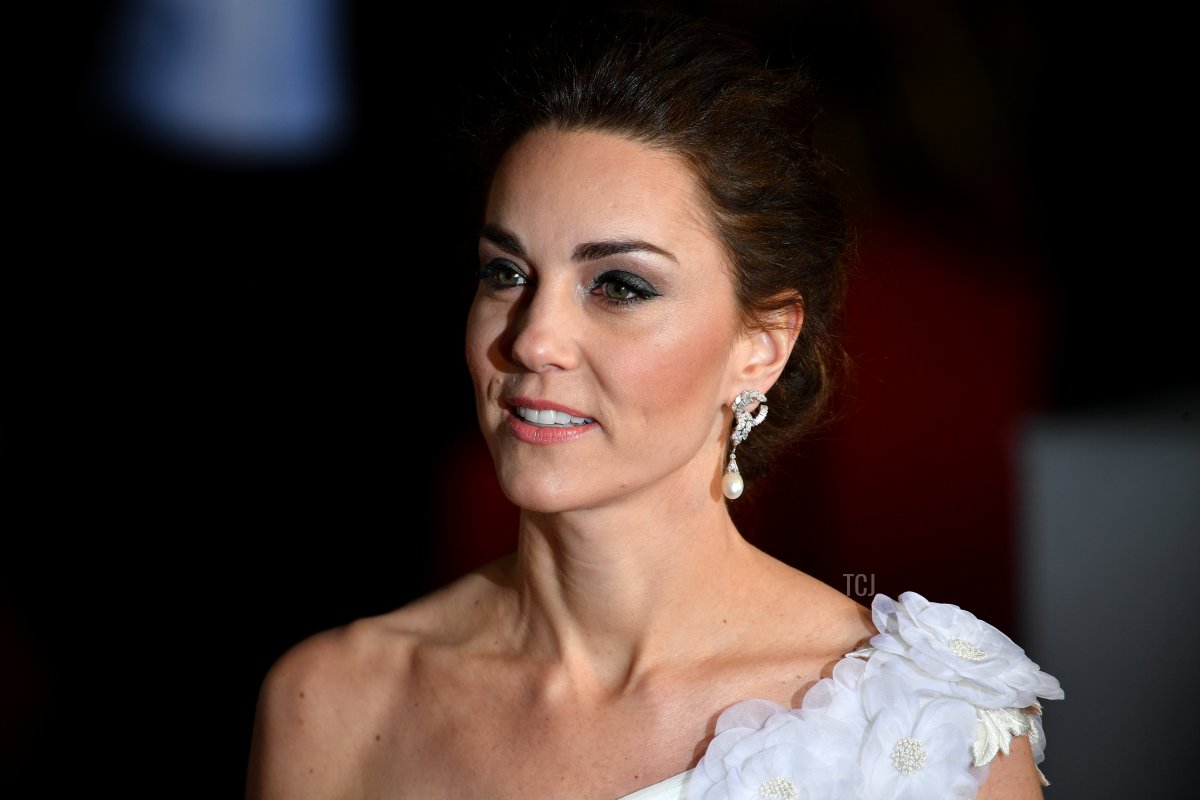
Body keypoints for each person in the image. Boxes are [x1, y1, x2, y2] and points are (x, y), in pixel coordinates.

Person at [245, 10, 1063, 799]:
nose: (533, 340)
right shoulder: (333, 702)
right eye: (506, 273)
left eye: (620, 286)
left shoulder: (923, 730)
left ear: (763, 345)